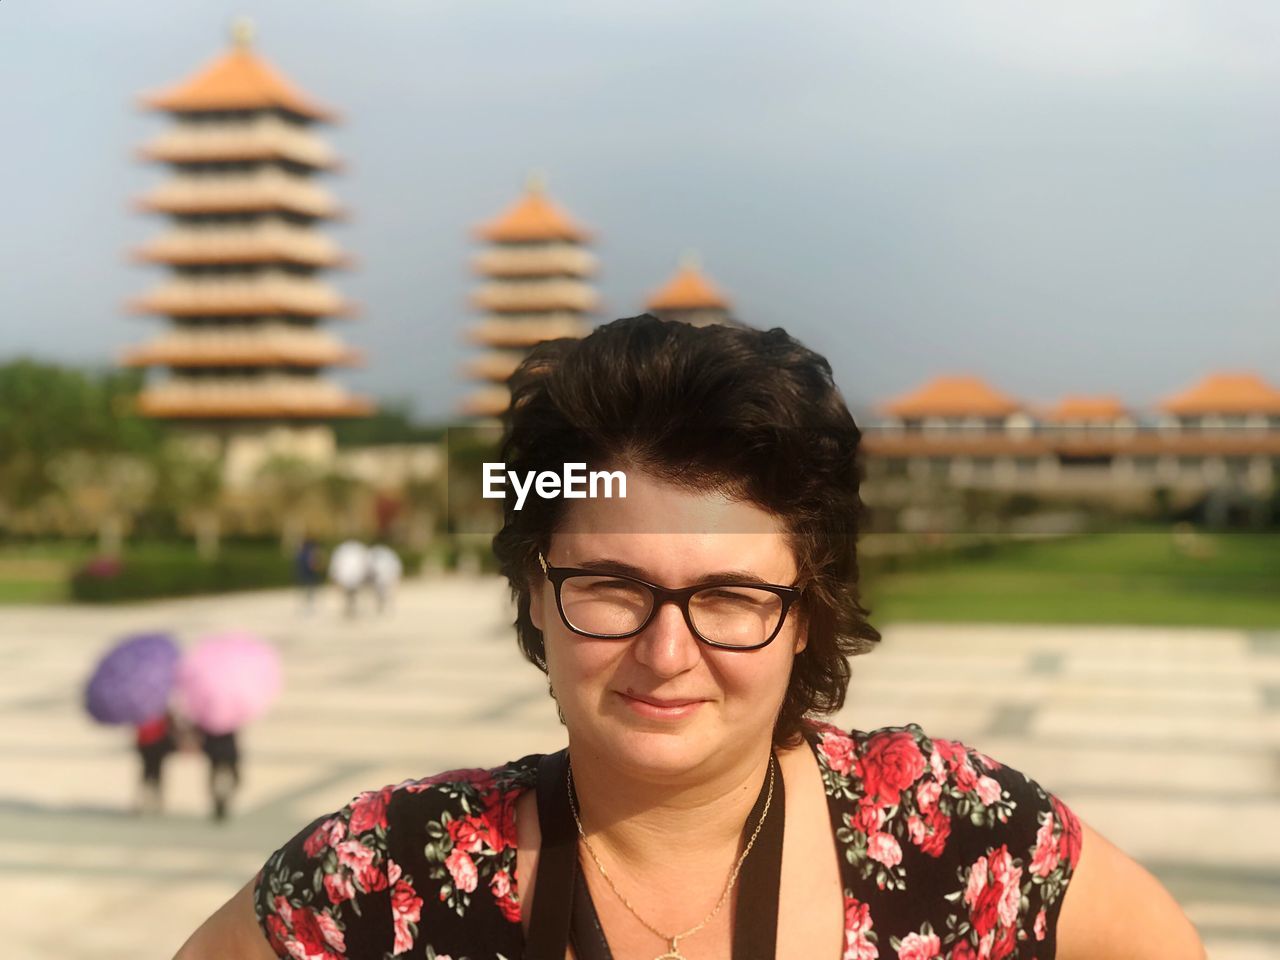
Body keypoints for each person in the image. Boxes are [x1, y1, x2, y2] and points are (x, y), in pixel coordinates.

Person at [175, 316, 1204, 959]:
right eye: (611, 588)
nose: (666, 654)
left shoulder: (960, 838)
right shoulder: (389, 875)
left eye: (727, 598)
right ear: (535, 592)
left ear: (805, 611)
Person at [133, 710, 175, 815]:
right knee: (155, 771)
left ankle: (148, 798)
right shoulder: (160, 707)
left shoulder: (140, 708)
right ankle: (154, 798)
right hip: (156, 742)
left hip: (146, 743)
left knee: (148, 771)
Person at [200, 727, 241, 822]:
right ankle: (220, 801)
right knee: (233, 778)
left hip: (216, 753)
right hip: (227, 753)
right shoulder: (229, 722)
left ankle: (219, 800)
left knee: (215, 778)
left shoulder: (210, 723)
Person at [328, 539, 370, 618]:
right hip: (352, 576)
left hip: (349, 576)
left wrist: (334, 576)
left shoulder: (342, 550)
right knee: (350, 594)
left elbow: (335, 564)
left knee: (350, 594)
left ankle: (350, 608)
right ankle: (350, 608)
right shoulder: (358, 549)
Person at [367, 542, 403, 615]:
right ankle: (383, 606)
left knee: (385, 593)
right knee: (382, 593)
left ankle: (385, 606)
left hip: (384, 577)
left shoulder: (377, 556)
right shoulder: (382, 556)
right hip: (382, 577)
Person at [294, 538, 324, 614]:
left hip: (302, 575)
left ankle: (305, 607)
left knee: (305, 593)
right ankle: (308, 608)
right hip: (309, 576)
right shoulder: (309, 554)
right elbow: (312, 565)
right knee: (309, 593)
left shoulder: (300, 553)